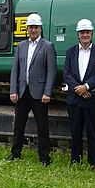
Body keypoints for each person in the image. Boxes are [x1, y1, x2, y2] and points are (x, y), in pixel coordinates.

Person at [8, 13, 57, 166]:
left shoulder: (48, 46)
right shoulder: (21, 46)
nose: (33, 30)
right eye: (30, 27)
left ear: (40, 29)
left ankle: (44, 158)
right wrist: (13, 90)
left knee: (42, 127)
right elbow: (15, 69)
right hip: (22, 92)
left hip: (39, 93)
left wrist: (47, 92)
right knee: (18, 126)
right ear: (27, 29)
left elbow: (51, 71)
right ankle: (15, 153)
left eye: (35, 27)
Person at [63, 19, 95, 168]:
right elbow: (67, 74)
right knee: (75, 131)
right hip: (74, 99)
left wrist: (87, 87)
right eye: (82, 32)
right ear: (78, 34)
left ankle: (94, 161)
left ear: (92, 33)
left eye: (87, 32)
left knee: (93, 132)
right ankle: (76, 160)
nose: (85, 35)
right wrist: (80, 89)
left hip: (92, 99)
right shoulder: (71, 51)